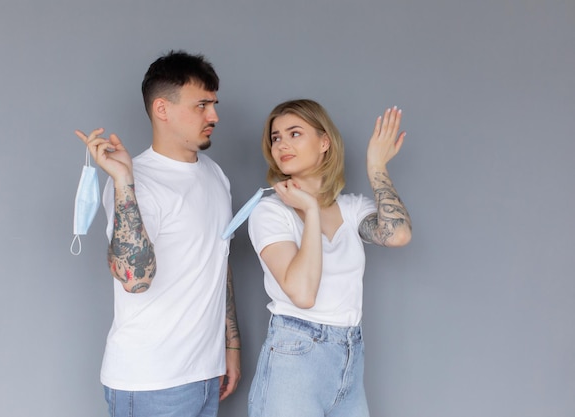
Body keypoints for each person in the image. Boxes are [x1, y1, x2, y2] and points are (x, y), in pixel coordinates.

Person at [75, 50, 241, 417]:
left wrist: (230, 349)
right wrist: (121, 182)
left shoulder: (216, 175)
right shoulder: (137, 182)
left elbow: (218, 262)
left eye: (213, 104)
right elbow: (136, 280)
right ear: (162, 109)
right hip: (151, 382)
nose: (213, 116)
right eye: (201, 105)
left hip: (204, 374)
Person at [247, 99, 412, 417]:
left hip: (349, 354)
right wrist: (309, 209)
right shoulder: (269, 213)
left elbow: (398, 234)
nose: (282, 144)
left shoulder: (351, 208)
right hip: (294, 356)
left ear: (325, 142)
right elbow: (303, 293)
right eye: (276, 137)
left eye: (294, 133)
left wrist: (377, 167)